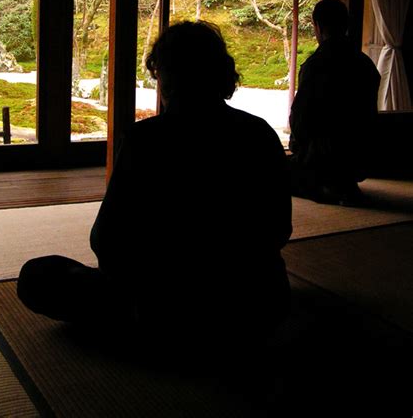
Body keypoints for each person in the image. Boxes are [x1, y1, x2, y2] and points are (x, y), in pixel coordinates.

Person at [18, 21, 292, 358]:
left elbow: (106, 241)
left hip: (163, 309)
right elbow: (279, 228)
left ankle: (148, 333)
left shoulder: (146, 139)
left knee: (38, 275)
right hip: (257, 305)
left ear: (167, 78)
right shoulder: (259, 133)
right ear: (222, 73)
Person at [289, 0, 380, 205]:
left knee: (270, 172)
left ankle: (326, 188)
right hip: (361, 155)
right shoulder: (365, 64)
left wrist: (297, 145)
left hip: (324, 157)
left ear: (318, 26)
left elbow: (300, 117)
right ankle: (341, 184)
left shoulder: (316, 65)